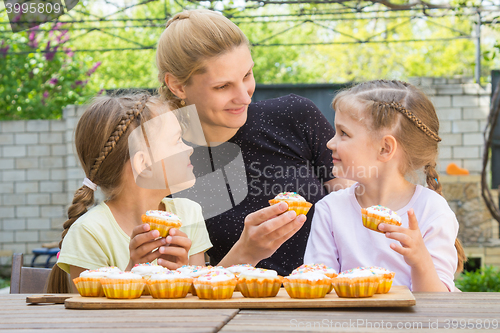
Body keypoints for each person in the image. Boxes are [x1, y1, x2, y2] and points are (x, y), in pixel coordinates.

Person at [156, 9, 353, 276]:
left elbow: (355, 217)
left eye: (247, 75)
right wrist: (245, 254)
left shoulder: (295, 117)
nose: (244, 97)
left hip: (328, 303)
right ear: (177, 86)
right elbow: (179, 283)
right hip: (230, 315)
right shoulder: (166, 161)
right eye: (222, 87)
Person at [304, 80, 466, 292]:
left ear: (384, 148)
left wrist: (420, 259)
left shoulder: (432, 210)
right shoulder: (330, 209)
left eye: (344, 133)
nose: (330, 143)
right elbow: (319, 287)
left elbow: (438, 304)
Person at [47, 93, 212, 293]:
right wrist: (131, 273)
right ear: (144, 164)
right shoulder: (90, 233)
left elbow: (199, 304)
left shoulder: (189, 214)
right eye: (177, 140)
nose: (189, 149)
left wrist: (183, 271)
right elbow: (88, 318)